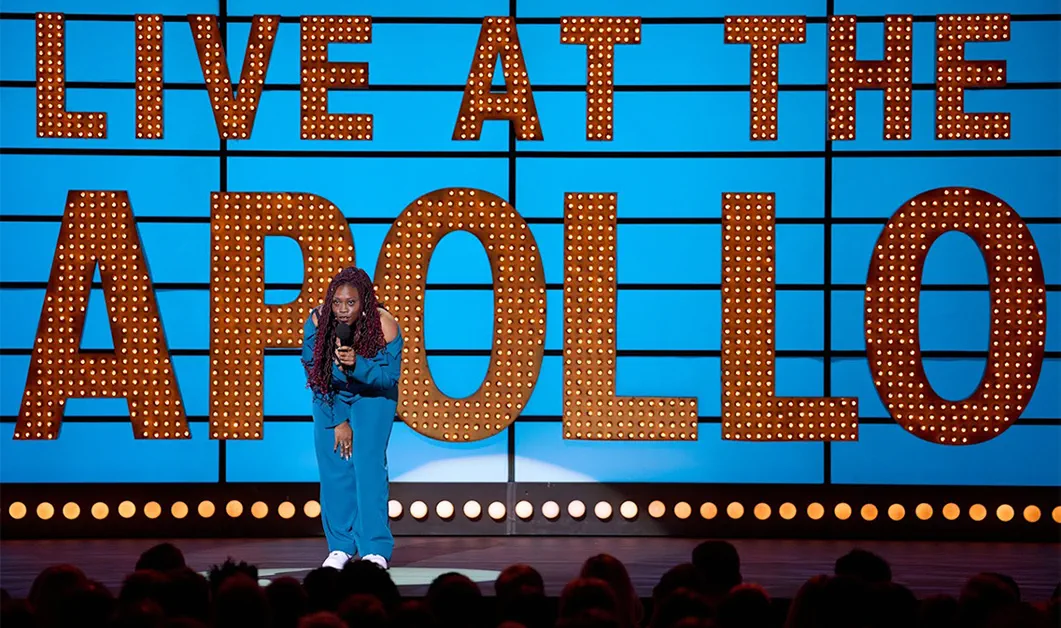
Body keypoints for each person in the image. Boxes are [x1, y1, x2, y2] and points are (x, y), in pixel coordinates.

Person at [302, 267, 403, 571]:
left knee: (367, 466)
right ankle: (341, 547)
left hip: (373, 395)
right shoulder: (318, 322)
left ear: (365, 303)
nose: (343, 311)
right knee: (334, 466)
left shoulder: (385, 325)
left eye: (351, 303)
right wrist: (337, 421)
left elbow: (388, 377)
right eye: (337, 303)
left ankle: (375, 548)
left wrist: (357, 364)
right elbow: (315, 375)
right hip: (331, 393)